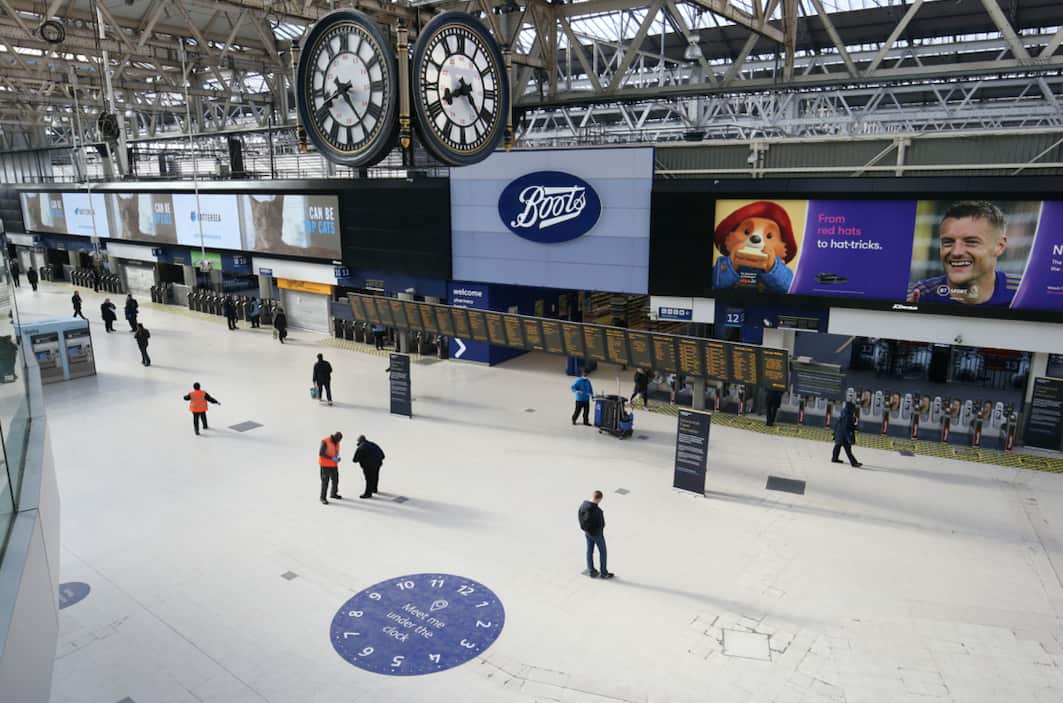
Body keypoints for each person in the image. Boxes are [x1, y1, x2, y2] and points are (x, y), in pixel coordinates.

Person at [907, 200, 1019, 306]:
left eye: (971, 242)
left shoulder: (1024, 292)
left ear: (999, 246)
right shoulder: (917, 296)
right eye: (948, 242)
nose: (956, 252)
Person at [578, 490, 613, 579]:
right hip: (597, 534)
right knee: (603, 552)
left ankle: (591, 571)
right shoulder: (597, 511)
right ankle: (604, 573)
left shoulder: (583, 505)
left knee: (589, 551)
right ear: (599, 499)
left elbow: (579, 517)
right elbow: (602, 524)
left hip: (587, 533)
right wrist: (599, 531)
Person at [353, 434, 385, 499]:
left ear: (360, 441)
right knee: (375, 476)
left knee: (369, 479)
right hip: (377, 464)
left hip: (368, 466)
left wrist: (363, 460)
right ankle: (374, 489)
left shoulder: (361, 447)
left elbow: (355, 459)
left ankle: (368, 493)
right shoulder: (373, 444)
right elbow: (383, 455)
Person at [831, 400, 862, 468]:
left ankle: (834, 458)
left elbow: (838, 424)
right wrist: (849, 437)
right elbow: (847, 427)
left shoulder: (843, 414)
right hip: (844, 435)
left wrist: (834, 433)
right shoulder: (848, 416)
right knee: (848, 450)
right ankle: (854, 463)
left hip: (839, 433)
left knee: (837, 446)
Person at [319, 432, 343, 505]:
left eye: (340, 440)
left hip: (334, 465)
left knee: (335, 480)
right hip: (325, 465)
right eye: (338, 440)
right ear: (335, 437)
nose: (339, 441)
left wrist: (336, 459)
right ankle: (323, 498)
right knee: (325, 482)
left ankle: (333, 494)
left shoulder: (337, 442)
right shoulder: (325, 441)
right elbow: (321, 453)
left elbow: (334, 452)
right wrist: (332, 458)